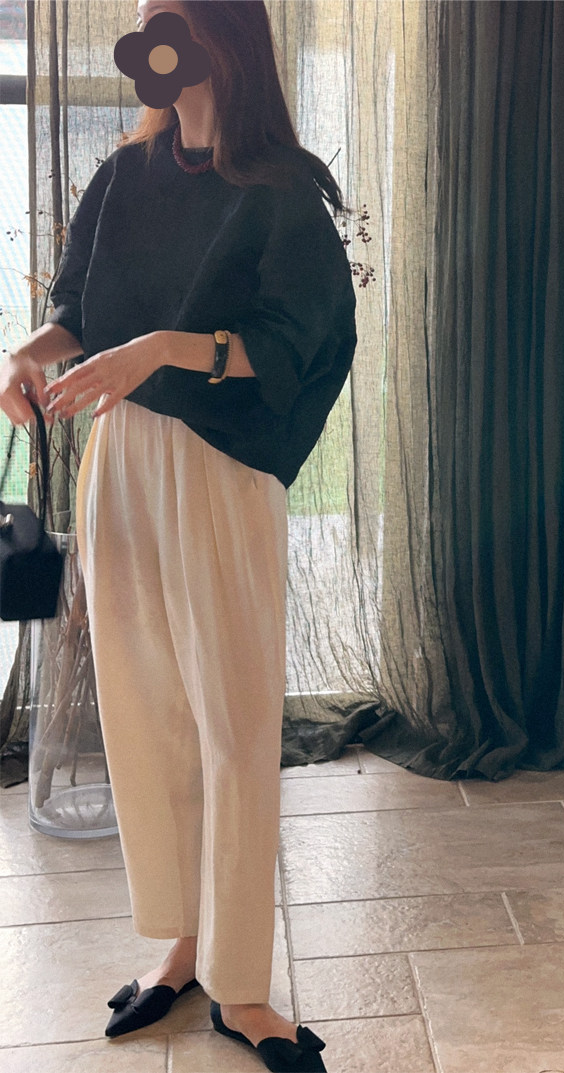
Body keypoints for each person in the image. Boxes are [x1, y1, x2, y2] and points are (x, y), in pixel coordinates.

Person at [0, 2, 357, 1070]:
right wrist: (27, 351)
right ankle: (184, 945)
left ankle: (243, 986)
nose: (156, 44)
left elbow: (293, 345)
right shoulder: (124, 176)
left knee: (232, 721)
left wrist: (162, 346)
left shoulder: (282, 192)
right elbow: (78, 311)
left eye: (175, 23)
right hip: (123, 460)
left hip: (219, 468)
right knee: (145, 711)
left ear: (223, 40)